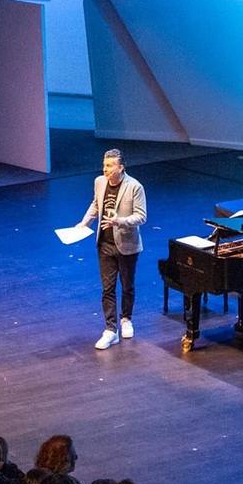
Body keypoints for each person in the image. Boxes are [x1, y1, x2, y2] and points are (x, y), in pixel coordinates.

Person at [74, 149, 146, 350]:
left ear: (121, 168)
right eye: (104, 165)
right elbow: (96, 205)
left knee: (127, 285)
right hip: (105, 244)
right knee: (107, 288)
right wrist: (84, 223)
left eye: (110, 166)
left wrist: (119, 221)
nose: (105, 169)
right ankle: (110, 329)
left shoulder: (135, 187)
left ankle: (126, 319)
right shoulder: (99, 182)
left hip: (127, 244)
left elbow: (141, 216)